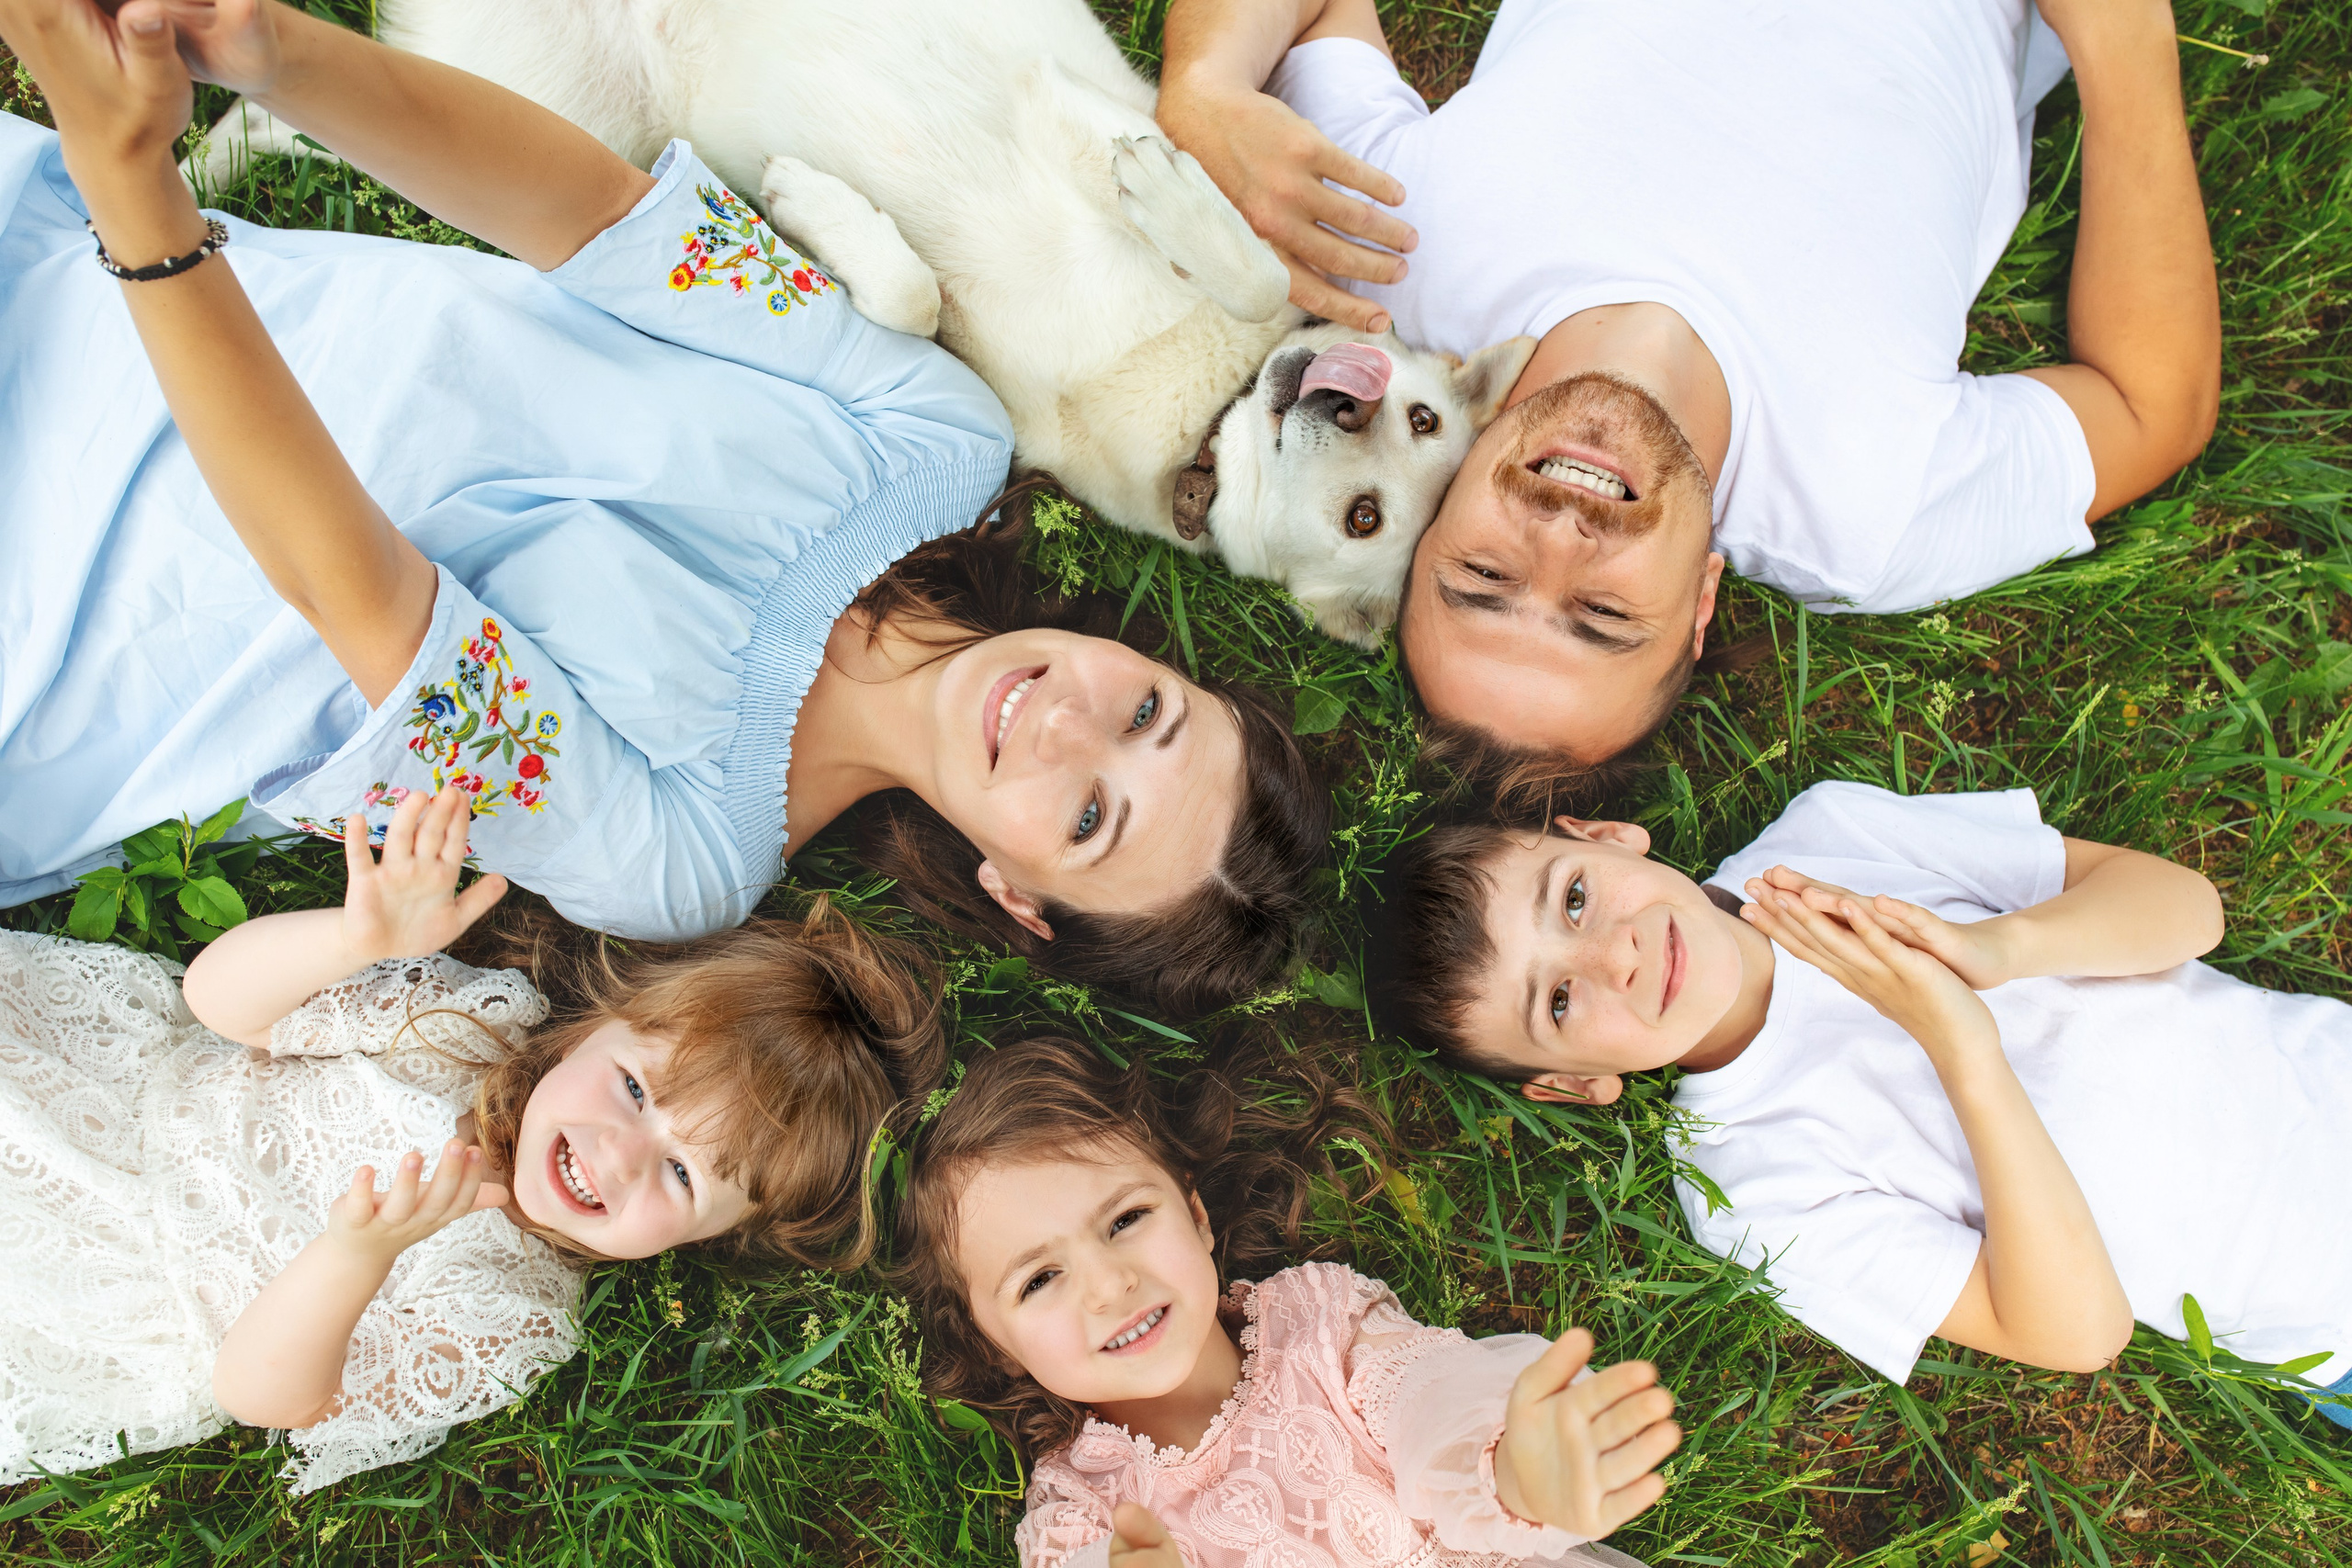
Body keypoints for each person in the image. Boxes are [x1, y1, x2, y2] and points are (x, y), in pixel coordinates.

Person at [0, 0, 1329, 1016]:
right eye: (1150, 712)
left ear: (1018, 895)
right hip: (66, 282)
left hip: (56, 620)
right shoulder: (935, 438)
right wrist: (276, 52)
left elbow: (350, 586)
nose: (1067, 724)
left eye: (1091, 816)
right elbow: (596, 217)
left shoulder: (683, 859)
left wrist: (143, 194)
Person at [1158, 0, 2222, 790]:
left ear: (1438, 514)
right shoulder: (1864, 514)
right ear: (1701, 601)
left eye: (1483, 576)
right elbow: (2148, 406)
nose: (1560, 539)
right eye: (1605, 613)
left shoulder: (1400, 270)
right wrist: (2127, 46)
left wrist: (1205, 82)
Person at [0, 784, 946, 1491]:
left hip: (96, 1290)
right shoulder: (465, 1026)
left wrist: (356, 1254)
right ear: (590, 1027)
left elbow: (259, 1395)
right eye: (630, 1087)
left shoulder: (513, 1318)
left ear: (708, 1237)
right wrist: (355, 942)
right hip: (99, 1091)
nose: (616, 1152)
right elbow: (217, 1005)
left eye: (682, 1174)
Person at [1368, 783, 2352, 1427]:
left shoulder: (1830, 835)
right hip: (2321, 1300)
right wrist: (1962, 1047)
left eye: (1574, 899)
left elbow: (2187, 907)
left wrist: (2000, 952)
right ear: (1576, 1082)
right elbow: (2074, 1333)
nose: (1611, 956)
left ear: (1604, 835)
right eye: (1558, 1000)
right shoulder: (1743, 1184)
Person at [892, 1033, 1679, 1567]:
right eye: (1039, 1279)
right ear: (994, 1343)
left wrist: (1508, 1466)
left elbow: (1428, 1397)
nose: (1108, 1283)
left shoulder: (1320, 1325)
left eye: (1127, 1219)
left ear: (1196, 1215)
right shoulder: (1080, 1512)